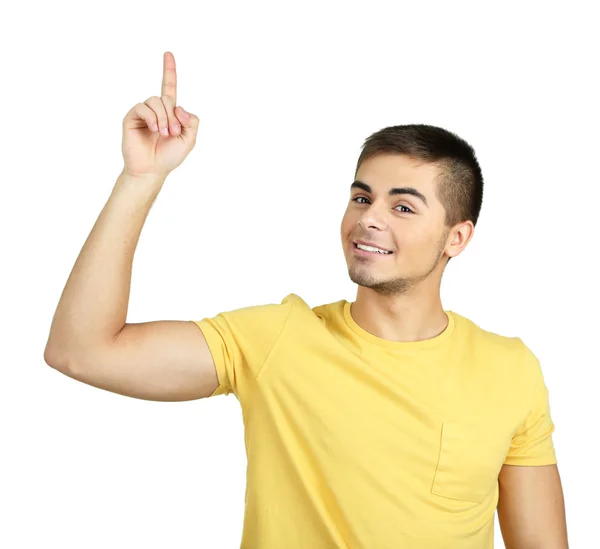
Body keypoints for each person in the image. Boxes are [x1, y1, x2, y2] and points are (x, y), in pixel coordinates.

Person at [43, 51, 569, 549]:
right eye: (362, 197)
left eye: (403, 207)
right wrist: (141, 179)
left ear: (457, 238)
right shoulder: (277, 340)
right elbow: (82, 351)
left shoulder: (510, 369)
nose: (369, 217)